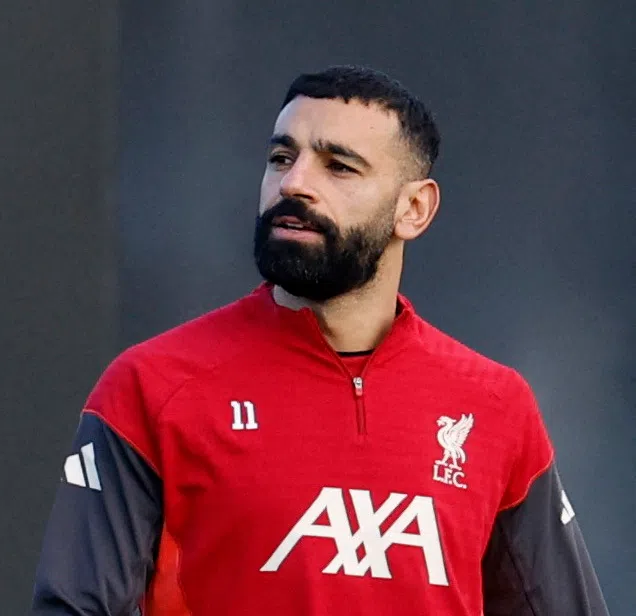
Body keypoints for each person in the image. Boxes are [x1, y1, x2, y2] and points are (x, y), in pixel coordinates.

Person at [30, 65, 608, 615]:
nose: (294, 183)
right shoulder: (153, 386)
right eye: (282, 157)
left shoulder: (495, 406)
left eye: (339, 167)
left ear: (413, 208)